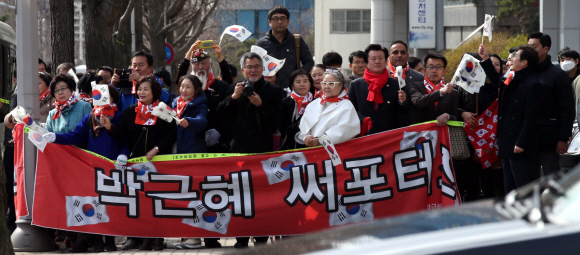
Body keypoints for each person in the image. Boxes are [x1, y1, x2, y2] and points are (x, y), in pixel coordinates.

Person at [43, 85, 125, 252]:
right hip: (92, 167)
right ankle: (96, 241)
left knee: (111, 203)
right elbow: (76, 136)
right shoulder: (90, 117)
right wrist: (56, 137)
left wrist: (122, 152)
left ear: (113, 99)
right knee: (93, 202)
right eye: (97, 95)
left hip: (113, 167)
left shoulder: (120, 116)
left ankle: (110, 240)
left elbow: (125, 139)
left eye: (105, 96)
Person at [101, 76, 177, 251]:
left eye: (146, 89)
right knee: (139, 201)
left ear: (155, 92)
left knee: (156, 201)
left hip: (158, 162)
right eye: (140, 89)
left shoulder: (163, 109)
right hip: (136, 165)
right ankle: (142, 238)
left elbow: (171, 134)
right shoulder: (130, 110)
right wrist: (108, 126)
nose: (141, 92)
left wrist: (156, 149)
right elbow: (121, 134)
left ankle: (157, 238)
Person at [217, 52, 285, 248]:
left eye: (257, 66)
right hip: (237, 151)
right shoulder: (233, 88)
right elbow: (220, 116)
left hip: (262, 151)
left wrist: (260, 104)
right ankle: (241, 238)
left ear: (263, 69)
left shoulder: (273, 91)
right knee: (238, 196)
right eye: (249, 67)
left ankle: (262, 237)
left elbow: (279, 120)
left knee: (262, 197)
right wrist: (233, 98)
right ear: (243, 70)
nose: (253, 70)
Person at [527, 32, 575, 175]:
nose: (530, 50)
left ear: (546, 49)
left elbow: (567, 109)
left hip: (549, 139)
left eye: (534, 46)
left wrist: (562, 138)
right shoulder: (525, 73)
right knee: (528, 182)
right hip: (527, 139)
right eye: (528, 47)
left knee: (551, 178)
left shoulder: (558, 75)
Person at [171, 74, 208, 249]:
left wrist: (189, 122)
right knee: (182, 195)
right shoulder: (175, 104)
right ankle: (185, 236)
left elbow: (203, 121)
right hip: (178, 153)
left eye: (188, 87)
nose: (184, 90)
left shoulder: (200, 104)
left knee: (194, 195)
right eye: (182, 86)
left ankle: (195, 237)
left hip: (194, 155)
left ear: (196, 90)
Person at [497, 45, 540, 192]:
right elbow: (498, 84)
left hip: (521, 145)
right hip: (508, 141)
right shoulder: (513, 78)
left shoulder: (533, 83)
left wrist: (521, 141)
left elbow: (531, 117)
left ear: (524, 62)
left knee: (524, 187)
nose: (511, 60)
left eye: (515, 57)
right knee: (510, 188)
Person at [177, 42, 231, 157]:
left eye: (204, 63)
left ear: (210, 64)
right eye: (196, 64)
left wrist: (219, 131)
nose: (200, 67)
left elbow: (229, 111)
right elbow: (179, 79)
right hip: (192, 143)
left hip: (217, 142)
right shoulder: (187, 88)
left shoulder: (220, 86)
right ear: (191, 66)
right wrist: (188, 54)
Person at [349, 44, 407, 135]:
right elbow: (351, 111)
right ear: (366, 63)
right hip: (364, 135)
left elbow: (403, 113)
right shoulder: (356, 85)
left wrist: (402, 102)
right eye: (373, 59)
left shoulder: (395, 84)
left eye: (380, 58)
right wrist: (364, 121)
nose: (377, 61)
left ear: (385, 61)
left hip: (389, 135)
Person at [256, 5, 314, 88]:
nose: (279, 22)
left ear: (288, 21)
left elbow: (309, 62)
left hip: (291, 90)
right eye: (275, 19)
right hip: (268, 90)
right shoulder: (261, 44)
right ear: (269, 22)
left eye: (283, 18)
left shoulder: (296, 41)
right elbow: (255, 66)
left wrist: (298, 76)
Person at [297, 68, 359, 146]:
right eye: (324, 83)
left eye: (331, 83)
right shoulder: (314, 103)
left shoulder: (347, 106)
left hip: (335, 152)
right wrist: (306, 137)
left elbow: (345, 130)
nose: (327, 87)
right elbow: (304, 125)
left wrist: (320, 140)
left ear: (341, 85)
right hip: (312, 151)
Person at [388, 40, 424, 127]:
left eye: (402, 52)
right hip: (387, 129)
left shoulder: (419, 77)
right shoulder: (382, 75)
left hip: (411, 128)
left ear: (407, 56)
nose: (399, 55)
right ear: (389, 56)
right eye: (395, 52)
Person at [279, 70, 314, 150]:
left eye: (305, 81)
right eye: (298, 82)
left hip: (312, 144)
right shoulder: (286, 102)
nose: (302, 84)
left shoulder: (316, 102)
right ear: (292, 85)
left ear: (310, 85)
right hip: (291, 144)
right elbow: (283, 126)